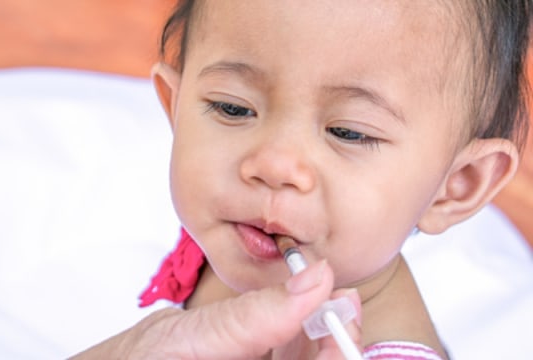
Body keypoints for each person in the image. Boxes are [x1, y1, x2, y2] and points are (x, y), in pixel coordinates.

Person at [79, 0, 530, 358]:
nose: (273, 165)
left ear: (457, 184)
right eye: (232, 107)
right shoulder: (242, 230)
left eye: (349, 132)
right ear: (174, 105)